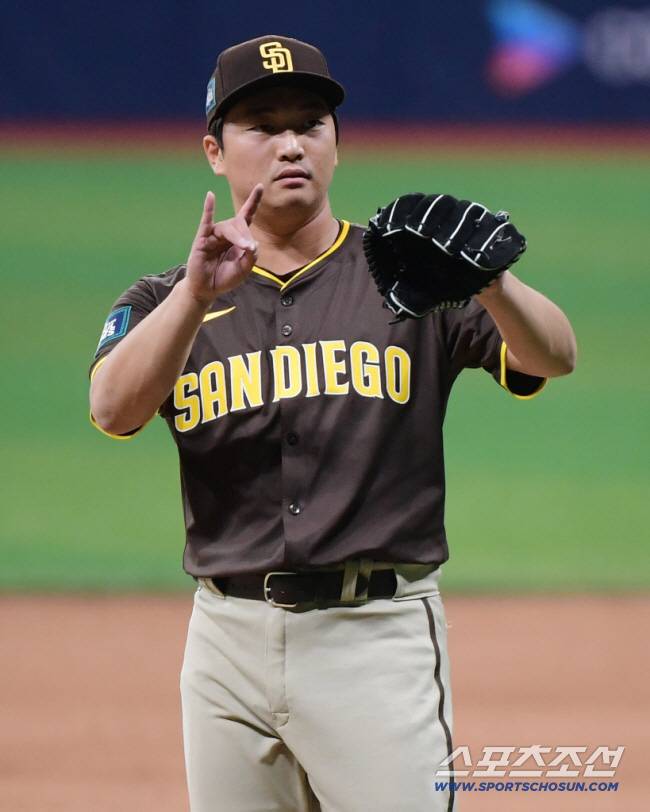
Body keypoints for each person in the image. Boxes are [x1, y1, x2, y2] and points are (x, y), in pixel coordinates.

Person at [89, 34, 577, 812]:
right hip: (226, 642)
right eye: (262, 125)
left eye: (310, 124)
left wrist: (493, 285)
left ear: (337, 145)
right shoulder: (163, 300)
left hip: (375, 638)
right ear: (215, 150)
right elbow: (112, 410)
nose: (290, 144)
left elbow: (554, 355)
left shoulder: (412, 276)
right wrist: (192, 296)